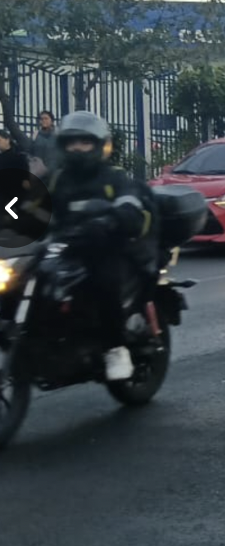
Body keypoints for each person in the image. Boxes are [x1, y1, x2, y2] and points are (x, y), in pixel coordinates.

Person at [38, 112, 159, 382]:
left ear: (100, 145)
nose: (77, 148)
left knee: (103, 280)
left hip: (107, 248)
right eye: (71, 142)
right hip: (65, 247)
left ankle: (115, 348)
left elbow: (133, 206)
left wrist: (112, 218)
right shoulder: (57, 179)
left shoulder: (114, 178)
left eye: (84, 142)